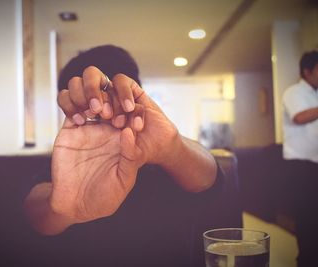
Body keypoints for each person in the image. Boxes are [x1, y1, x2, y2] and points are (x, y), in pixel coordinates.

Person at [23, 45, 237, 266]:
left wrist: (173, 149)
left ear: (135, 95)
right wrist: (64, 210)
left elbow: (211, 180)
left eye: (113, 100)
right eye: (93, 109)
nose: (106, 114)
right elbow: (36, 215)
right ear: (72, 111)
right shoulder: (65, 166)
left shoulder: (166, 158)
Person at [282, 50, 318, 267]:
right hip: (300, 166)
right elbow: (300, 117)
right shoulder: (293, 92)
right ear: (307, 71)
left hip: (315, 164)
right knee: (307, 217)